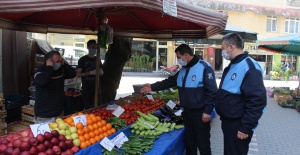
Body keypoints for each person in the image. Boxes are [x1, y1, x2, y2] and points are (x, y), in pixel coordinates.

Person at [140, 44, 217, 155]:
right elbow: (169, 82)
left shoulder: (204, 67)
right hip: (186, 112)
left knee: (203, 144)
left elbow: (212, 91)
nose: (178, 60)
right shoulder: (183, 70)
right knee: (190, 144)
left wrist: (207, 111)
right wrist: (151, 87)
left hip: (200, 114)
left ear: (186, 55)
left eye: (179, 57)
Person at [216, 33, 266, 155]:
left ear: (231, 47)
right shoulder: (232, 65)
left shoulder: (250, 67)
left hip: (239, 125)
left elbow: (257, 101)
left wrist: (245, 127)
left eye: (223, 48)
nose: (222, 51)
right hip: (228, 122)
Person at [34, 50, 76, 123]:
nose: (58, 64)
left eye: (60, 61)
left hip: (58, 113)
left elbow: (73, 73)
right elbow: (43, 81)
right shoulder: (39, 72)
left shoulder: (60, 71)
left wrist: (64, 63)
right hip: (44, 115)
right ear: (48, 61)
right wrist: (49, 67)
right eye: (57, 62)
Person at [77, 40, 104, 110]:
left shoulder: (98, 59)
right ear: (88, 47)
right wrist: (90, 73)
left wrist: (101, 72)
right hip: (86, 89)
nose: (94, 49)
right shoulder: (82, 60)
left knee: (98, 108)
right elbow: (78, 74)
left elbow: (101, 71)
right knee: (88, 110)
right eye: (92, 47)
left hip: (97, 89)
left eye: (95, 48)